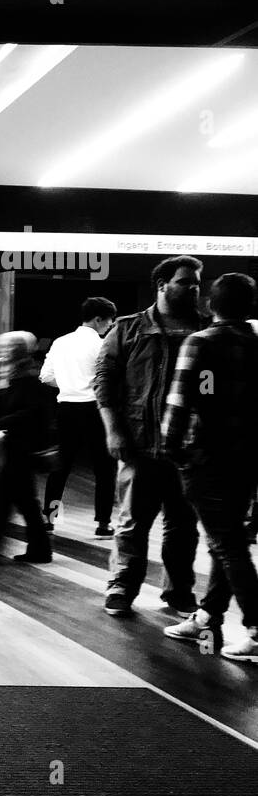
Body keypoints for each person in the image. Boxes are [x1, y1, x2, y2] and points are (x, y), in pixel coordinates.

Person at [94, 256, 205, 618]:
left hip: (189, 448)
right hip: (140, 443)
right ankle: (122, 587)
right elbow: (105, 383)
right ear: (161, 284)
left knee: (183, 526)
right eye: (185, 281)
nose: (194, 288)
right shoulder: (127, 329)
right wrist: (113, 430)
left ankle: (178, 592)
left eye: (197, 282)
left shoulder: (205, 329)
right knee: (132, 522)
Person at [161, 274, 258, 661]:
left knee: (229, 545)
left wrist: (172, 449)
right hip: (247, 459)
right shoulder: (257, 346)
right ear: (249, 307)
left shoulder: (199, 343)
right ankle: (207, 616)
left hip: (206, 458)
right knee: (228, 539)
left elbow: (183, 400)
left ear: (211, 306)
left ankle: (255, 627)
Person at [0, 331, 56, 564]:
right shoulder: (11, 374)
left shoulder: (28, 378)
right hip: (13, 446)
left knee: (13, 501)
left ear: (19, 350)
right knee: (19, 501)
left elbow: (30, 413)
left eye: (7, 348)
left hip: (23, 448)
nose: (2, 352)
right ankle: (35, 549)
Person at [40, 297, 118, 538]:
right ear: (98, 319)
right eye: (109, 321)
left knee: (60, 468)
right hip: (95, 410)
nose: (110, 326)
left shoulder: (60, 342)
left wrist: (67, 384)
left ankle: (49, 519)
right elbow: (111, 379)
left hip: (66, 409)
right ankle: (103, 523)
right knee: (104, 468)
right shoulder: (103, 345)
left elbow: (45, 377)